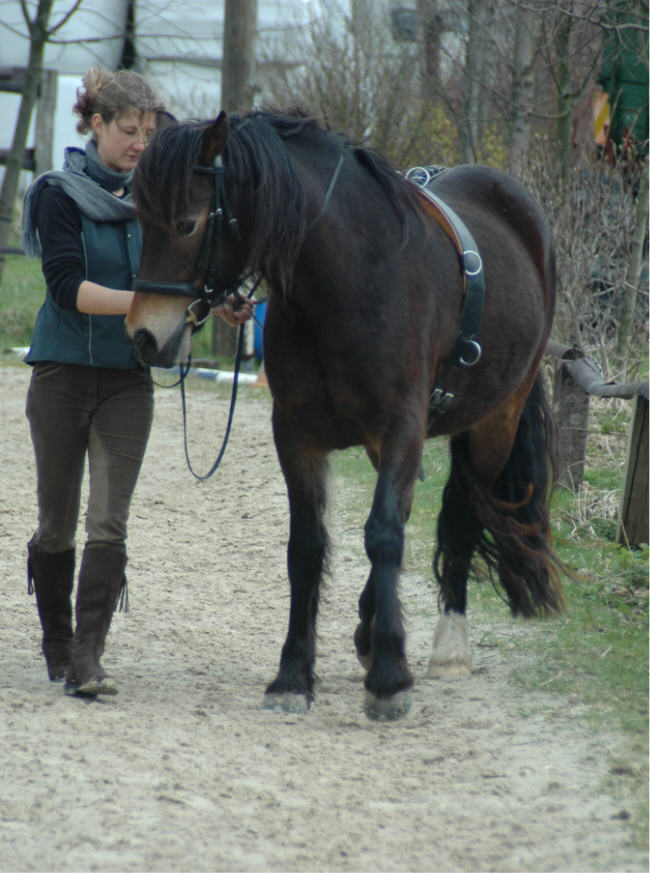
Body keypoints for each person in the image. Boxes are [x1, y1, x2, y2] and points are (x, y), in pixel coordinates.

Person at [22, 67, 253, 698]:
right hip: (61, 377)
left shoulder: (154, 199)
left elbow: (180, 280)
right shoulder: (57, 195)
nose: (140, 145)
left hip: (128, 383)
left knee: (109, 522)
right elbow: (67, 290)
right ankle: (57, 642)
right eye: (129, 131)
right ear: (95, 125)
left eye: (149, 133)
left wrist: (208, 304)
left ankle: (89, 658)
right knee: (56, 525)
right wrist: (147, 302)